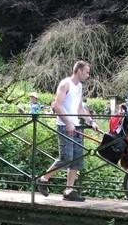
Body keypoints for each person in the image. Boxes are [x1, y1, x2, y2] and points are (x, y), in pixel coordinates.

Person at [36, 60, 99, 202]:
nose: (88, 75)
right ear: (79, 70)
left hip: (76, 126)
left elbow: (80, 108)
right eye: (86, 72)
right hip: (65, 126)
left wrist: (91, 121)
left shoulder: (79, 87)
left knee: (77, 160)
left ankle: (69, 190)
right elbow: (57, 106)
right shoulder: (65, 84)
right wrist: (68, 123)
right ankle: (43, 179)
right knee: (66, 158)